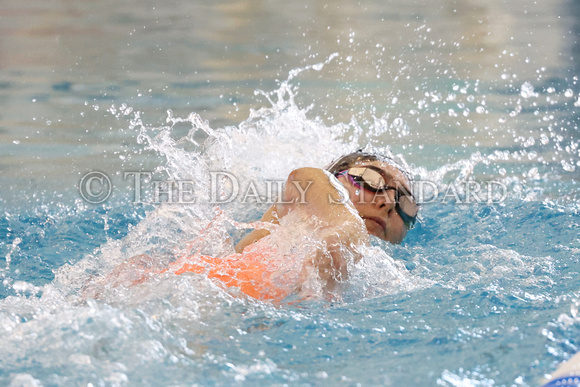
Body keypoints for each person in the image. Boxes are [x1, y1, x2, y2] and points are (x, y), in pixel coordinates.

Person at [87, 149, 419, 302]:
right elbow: (311, 187)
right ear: (337, 178)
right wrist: (344, 229)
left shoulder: (388, 285)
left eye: (403, 200)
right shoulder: (310, 190)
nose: (387, 201)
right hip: (196, 291)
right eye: (373, 181)